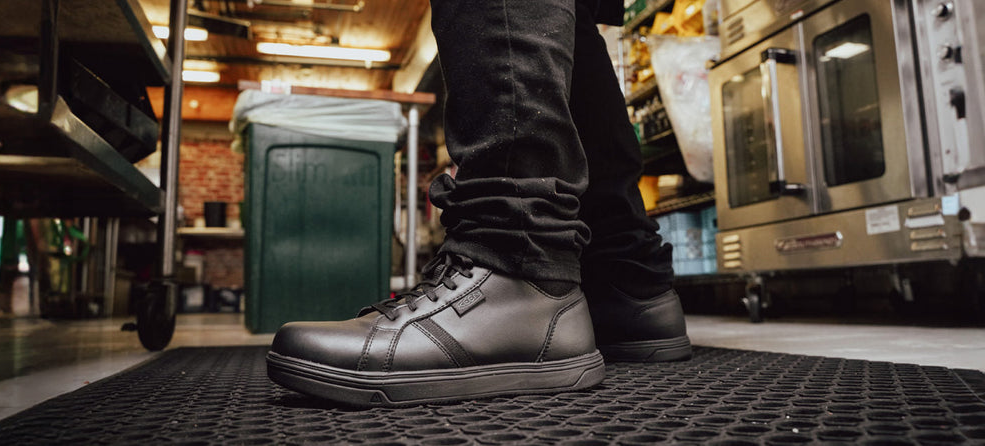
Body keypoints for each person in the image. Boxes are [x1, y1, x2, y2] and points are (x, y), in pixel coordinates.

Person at [266, 0, 691, 406]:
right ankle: (623, 276)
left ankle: (515, 268)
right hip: (619, 279)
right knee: (573, 13)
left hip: (528, 268)